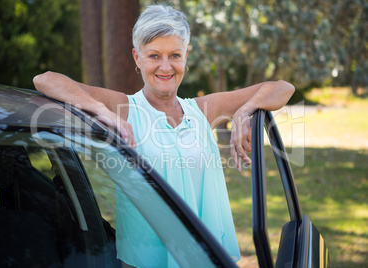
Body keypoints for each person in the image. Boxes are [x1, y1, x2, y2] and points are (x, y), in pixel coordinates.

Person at [33, 4, 294, 267]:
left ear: (186, 56)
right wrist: (103, 111)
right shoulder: (124, 108)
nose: (166, 67)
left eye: (175, 55)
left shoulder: (203, 110)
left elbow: (282, 88)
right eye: (154, 56)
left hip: (209, 260)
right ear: (137, 58)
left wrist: (245, 110)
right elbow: (45, 80)